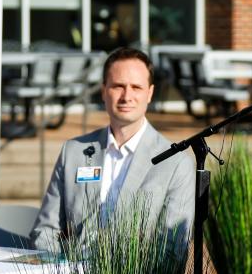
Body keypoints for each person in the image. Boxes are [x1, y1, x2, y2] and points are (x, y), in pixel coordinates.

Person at [31, 47, 195, 251]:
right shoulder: (73, 152)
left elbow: (172, 249)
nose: (127, 96)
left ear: (150, 93)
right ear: (103, 91)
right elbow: (46, 231)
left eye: (136, 87)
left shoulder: (175, 162)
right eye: (118, 86)